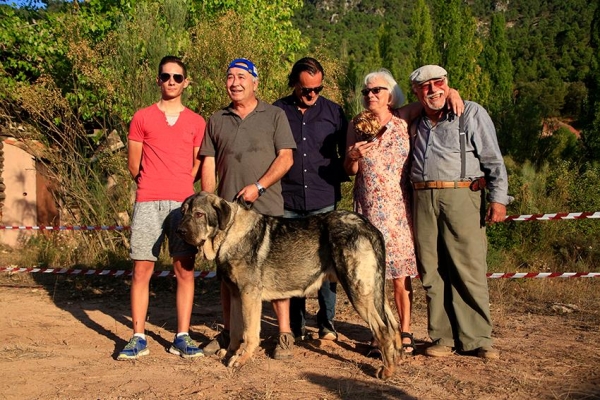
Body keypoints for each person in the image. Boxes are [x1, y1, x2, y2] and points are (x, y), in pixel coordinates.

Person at [408, 64, 509, 359]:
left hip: (462, 194)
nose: (433, 90)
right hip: (422, 198)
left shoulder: (471, 112)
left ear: (447, 83)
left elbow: (493, 159)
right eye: (424, 86)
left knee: (469, 267)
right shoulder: (416, 119)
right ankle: (443, 337)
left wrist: (498, 199)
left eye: (439, 83)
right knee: (432, 269)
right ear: (416, 91)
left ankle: (478, 339)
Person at [200, 58, 297, 360]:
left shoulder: (275, 115)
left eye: (241, 76)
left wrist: (260, 186)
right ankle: (231, 332)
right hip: (227, 217)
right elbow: (209, 163)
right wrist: (207, 202)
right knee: (228, 278)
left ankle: (284, 335)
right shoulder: (217, 119)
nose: (235, 82)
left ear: (256, 82)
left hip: (267, 207)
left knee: (276, 274)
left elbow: (286, 158)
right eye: (229, 77)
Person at [118, 55, 206, 360]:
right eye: (166, 76)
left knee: (185, 269)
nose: (171, 82)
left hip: (183, 205)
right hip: (147, 202)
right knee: (142, 269)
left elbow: (197, 164)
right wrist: (154, 183)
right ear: (158, 80)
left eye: (177, 77)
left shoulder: (197, 122)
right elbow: (133, 165)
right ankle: (137, 336)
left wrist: (180, 187)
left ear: (186, 82)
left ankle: (182, 336)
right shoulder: (141, 117)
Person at [344, 68, 418, 356]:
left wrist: (453, 92)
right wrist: (352, 157)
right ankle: (380, 332)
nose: (371, 95)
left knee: (401, 275)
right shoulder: (357, 124)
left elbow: (432, 98)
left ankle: (406, 331)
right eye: (366, 92)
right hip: (368, 208)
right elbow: (349, 171)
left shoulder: (403, 118)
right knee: (374, 275)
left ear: (391, 95)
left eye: (377, 90)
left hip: (399, 208)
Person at [273, 57, 347, 342]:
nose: (312, 94)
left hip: (323, 198)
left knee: (329, 265)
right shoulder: (277, 111)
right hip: (288, 200)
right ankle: (295, 325)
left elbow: (346, 154)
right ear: (294, 83)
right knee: (292, 266)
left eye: (317, 88)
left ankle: (327, 323)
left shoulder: (335, 112)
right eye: (306, 89)